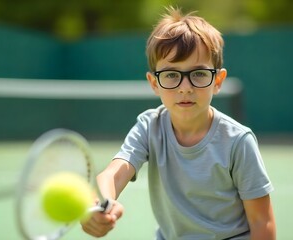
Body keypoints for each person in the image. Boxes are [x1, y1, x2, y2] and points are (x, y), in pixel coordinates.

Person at [81, 6, 276, 240]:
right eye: (171, 75)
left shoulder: (238, 141)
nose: (185, 87)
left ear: (218, 80)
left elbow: (261, 221)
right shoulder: (149, 126)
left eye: (199, 74)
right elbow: (113, 174)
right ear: (154, 83)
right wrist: (103, 204)